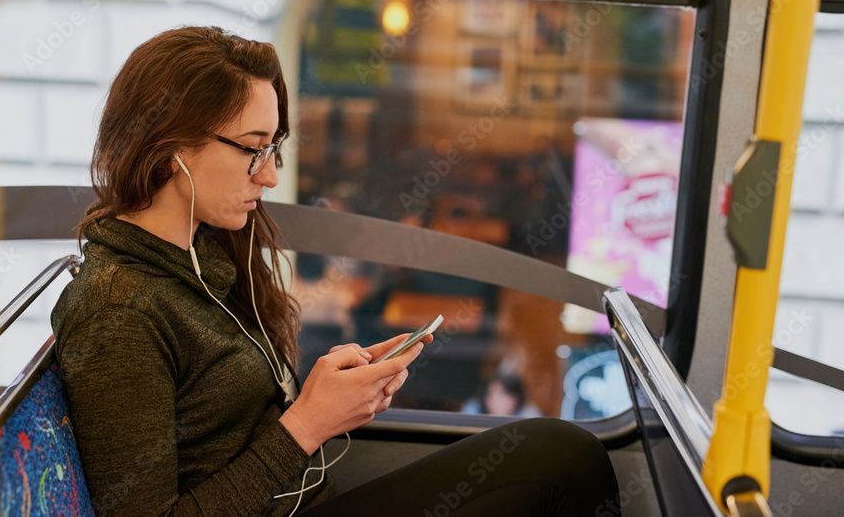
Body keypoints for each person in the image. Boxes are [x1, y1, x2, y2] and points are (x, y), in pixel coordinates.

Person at [51, 26, 620, 517]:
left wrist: (333, 393)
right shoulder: (118, 308)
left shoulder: (201, 256)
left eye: (275, 149)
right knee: (558, 462)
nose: (270, 176)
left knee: (561, 453)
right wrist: (307, 425)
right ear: (171, 146)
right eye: (253, 149)